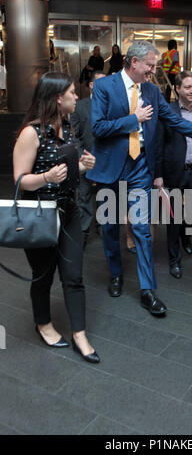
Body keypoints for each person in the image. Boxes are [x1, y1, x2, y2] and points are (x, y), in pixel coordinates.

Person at [87, 40, 192, 316]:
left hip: (140, 169)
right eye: (150, 65)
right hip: (110, 169)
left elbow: (173, 121)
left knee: (141, 230)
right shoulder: (104, 87)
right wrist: (133, 118)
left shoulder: (151, 89)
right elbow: (98, 128)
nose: (153, 70)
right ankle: (115, 274)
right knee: (111, 228)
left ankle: (147, 290)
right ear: (134, 62)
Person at [13, 72, 100, 364]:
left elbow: (67, 175)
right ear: (58, 97)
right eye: (73, 93)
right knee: (43, 276)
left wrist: (83, 167)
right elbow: (19, 181)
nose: (78, 97)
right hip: (39, 214)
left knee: (74, 276)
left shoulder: (69, 127)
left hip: (68, 210)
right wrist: (46, 177)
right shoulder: (31, 133)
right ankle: (44, 324)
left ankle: (79, 334)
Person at [155, 70, 192, 279]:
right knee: (173, 218)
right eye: (188, 87)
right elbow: (159, 144)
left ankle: (186, 235)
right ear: (178, 89)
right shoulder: (167, 111)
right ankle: (174, 259)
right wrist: (158, 174)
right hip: (174, 172)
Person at [70, 70, 106, 246]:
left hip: (106, 161)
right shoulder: (79, 106)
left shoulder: (113, 107)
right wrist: (82, 158)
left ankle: (103, 226)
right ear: (91, 85)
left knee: (105, 195)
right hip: (84, 159)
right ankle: (83, 231)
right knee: (83, 196)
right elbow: (74, 135)